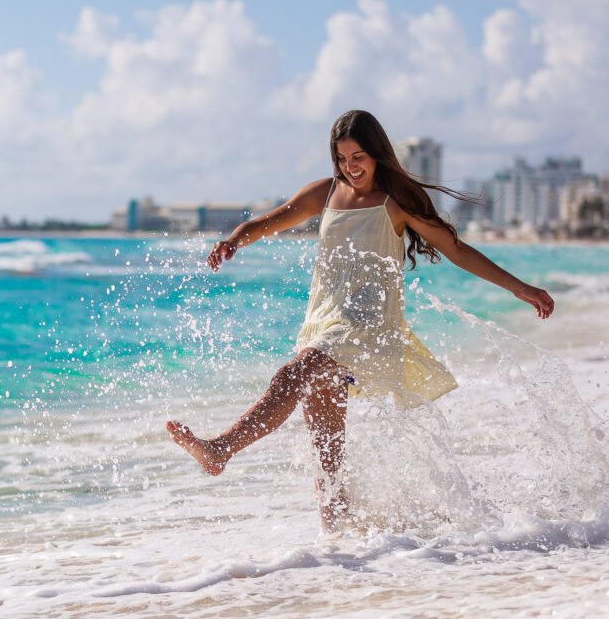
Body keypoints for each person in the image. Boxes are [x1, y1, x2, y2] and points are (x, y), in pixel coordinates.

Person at [167, 110, 554, 530]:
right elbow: (268, 221)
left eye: (360, 157)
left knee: (290, 376)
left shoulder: (395, 203)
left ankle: (221, 449)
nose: (351, 167)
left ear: (378, 155)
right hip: (324, 323)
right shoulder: (325, 193)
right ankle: (341, 548)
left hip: (369, 331)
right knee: (326, 450)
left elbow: (456, 249)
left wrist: (519, 288)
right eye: (343, 158)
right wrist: (234, 241)